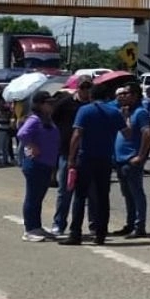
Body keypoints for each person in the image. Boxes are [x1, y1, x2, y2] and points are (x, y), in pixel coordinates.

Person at [60, 84, 127, 246]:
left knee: (80, 196)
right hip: (104, 158)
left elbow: (77, 135)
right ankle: (100, 233)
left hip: (86, 157)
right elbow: (127, 132)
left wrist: (70, 158)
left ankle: (75, 233)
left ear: (91, 95)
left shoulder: (85, 110)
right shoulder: (114, 112)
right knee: (102, 197)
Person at [50, 77, 92, 236]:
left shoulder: (92, 105)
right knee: (64, 190)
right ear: (78, 87)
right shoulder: (65, 103)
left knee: (89, 192)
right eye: (83, 87)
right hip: (66, 153)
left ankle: (92, 225)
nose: (86, 90)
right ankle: (59, 224)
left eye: (89, 87)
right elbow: (52, 119)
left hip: (87, 152)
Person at [16, 91, 60, 241]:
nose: (51, 106)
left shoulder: (47, 120)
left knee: (38, 197)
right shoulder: (34, 119)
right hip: (36, 163)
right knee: (33, 197)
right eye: (48, 103)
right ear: (39, 105)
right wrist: (32, 145)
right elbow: (22, 134)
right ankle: (29, 230)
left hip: (46, 163)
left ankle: (37, 226)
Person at [113, 82, 150, 238]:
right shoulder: (126, 111)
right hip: (120, 160)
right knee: (127, 194)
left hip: (131, 159)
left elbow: (147, 134)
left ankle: (139, 225)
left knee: (136, 193)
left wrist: (141, 156)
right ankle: (130, 224)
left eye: (127, 93)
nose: (123, 95)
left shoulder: (140, 112)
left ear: (135, 95)